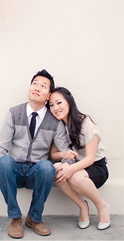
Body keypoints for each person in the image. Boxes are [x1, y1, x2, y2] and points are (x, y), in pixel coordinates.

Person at [0, 69, 75, 239]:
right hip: (15, 171)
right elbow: (1, 147)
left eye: (43, 86)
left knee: (47, 167)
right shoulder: (14, 113)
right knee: (4, 161)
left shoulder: (54, 121)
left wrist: (66, 165)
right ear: (29, 88)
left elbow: (67, 152)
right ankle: (15, 218)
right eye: (35, 83)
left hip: (37, 173)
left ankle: (34, 218)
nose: (37, 88)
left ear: (48, 95)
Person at [48, 87, 110, 230]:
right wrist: (64, 155)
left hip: (96, 167)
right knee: (56, 169)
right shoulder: (59, 126)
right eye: (51, 105)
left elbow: (90, 158)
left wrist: (69, 169)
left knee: (74, 176)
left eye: (59, 103)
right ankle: (83, 206)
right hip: (76, 166)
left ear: (69, 102)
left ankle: (102, 206)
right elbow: (54, 154)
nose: (55, 108)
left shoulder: (86, 122)